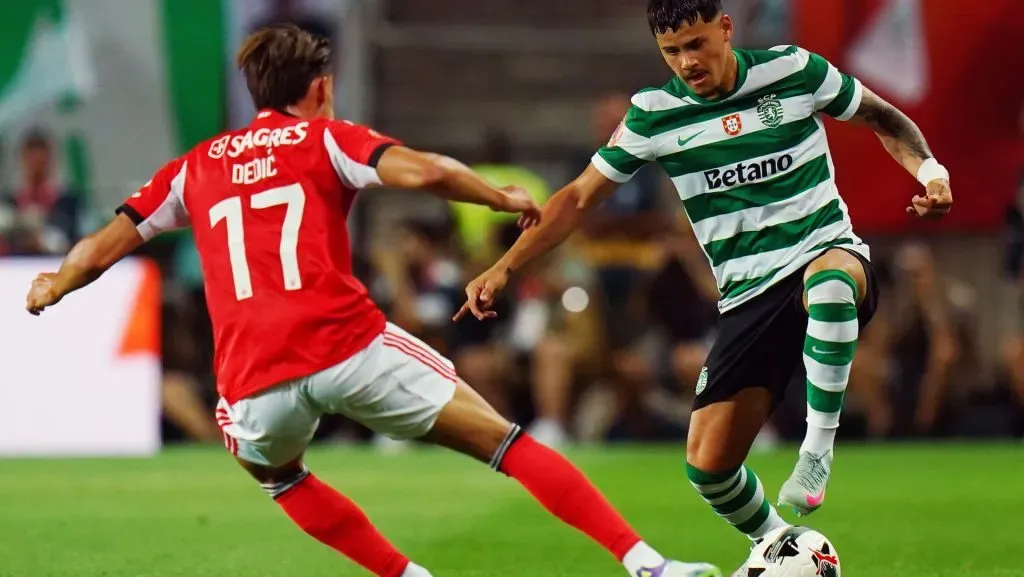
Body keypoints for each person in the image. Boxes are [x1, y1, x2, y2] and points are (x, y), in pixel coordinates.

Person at [23, 24, 719, 577]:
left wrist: (52, 284)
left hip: (254, 380)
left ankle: (403, 574)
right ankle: (648, 564)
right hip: (347, 347)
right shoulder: (327, 138)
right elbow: (426, 170)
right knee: (504, 441)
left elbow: (100, 247)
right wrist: (498, 195)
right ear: (322, 87)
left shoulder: (194, 166)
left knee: (274, 472)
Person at [455, 0, 952, 569]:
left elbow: (886, 117)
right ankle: (784, 546)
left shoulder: (793, 70)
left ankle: (816, 451)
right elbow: (577, 199)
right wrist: (504, 268)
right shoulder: (653, 113)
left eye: (697, 44)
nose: (687, 61)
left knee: (833, 282)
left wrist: (932, 174)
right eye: (672, 51)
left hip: (825, 252)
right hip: (745, 297)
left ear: (725, 29)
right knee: (708, 468)